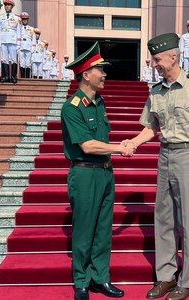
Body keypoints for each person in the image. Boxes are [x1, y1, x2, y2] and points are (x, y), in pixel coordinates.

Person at [123, 33, 189, 300]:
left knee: (188, 221)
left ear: (173, 57)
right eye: (153, 59)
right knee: (164, 219)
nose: (154, 64)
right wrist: (133, 142)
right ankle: (166, 276)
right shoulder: (156, 91)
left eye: (157, 59)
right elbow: (151, 128)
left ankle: (187, 282)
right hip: (165, 157)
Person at [61, 41, 132, 300]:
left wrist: (114, 150)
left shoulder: (99, 102)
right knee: (84, 230)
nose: (104, 75)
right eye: (100, 70)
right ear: (86, 74)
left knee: (103, 230)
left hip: (104, 172)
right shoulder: (72, 107)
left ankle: (100, 278)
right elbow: (88, 145)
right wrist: (119, 148)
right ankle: (81, 280)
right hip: (85, 173)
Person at [0, 0, 21, 83]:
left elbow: (19, 31)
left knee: (14, 59)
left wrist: (18, 43)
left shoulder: (16, 18)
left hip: (13, 40)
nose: (7, 6)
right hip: (3, 40)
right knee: (5, 59)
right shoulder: (0, 17)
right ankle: (6, 76)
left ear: (12, 7)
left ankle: (13, 76)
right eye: (6, 5)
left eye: (9, 5)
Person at [19, 12, 35, 78]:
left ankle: (27, 78)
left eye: (25, 19)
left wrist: (33, 48)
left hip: (28, 47)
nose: (24, 20)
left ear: (27, 20)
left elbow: (33, 39)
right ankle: (22, 77)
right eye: (23, 19)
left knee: (28, 63)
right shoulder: (19, 28)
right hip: (21, 47)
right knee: (22, 63)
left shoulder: (32, 29)